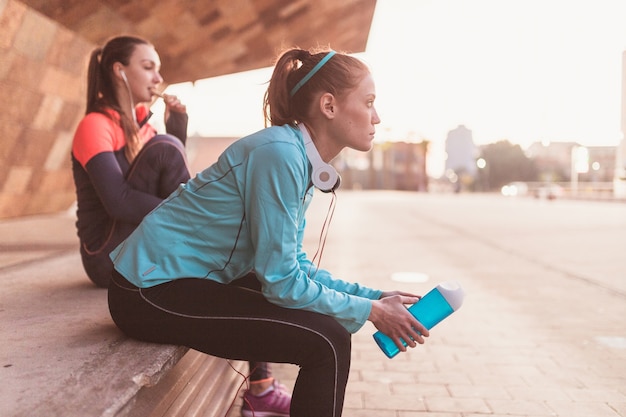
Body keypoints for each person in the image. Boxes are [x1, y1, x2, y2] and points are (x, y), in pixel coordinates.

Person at [108, 47, 429, 417]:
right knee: (326, 341)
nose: (377, 116)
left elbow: (292, 265)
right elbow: (281, 282)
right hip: (146, 291)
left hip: (184, 280)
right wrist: (372, 311)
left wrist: (374, 297)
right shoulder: (280, 154)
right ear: (329, 106)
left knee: (329, 332)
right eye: (369, 102)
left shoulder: (295, 154)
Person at [71, 35, 289, 415]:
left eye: (158, 68)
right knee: (167, 149)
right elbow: (119, 202)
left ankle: (261, 384)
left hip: (135, 247)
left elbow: (173, 187)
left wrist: (178, 127)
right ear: (119, 71)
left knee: (242, 267)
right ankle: (260, 387)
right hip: (105, 254)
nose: (158, 78)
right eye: (148, 67)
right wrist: (193, 221)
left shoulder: (145, 129)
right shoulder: (94, 125)